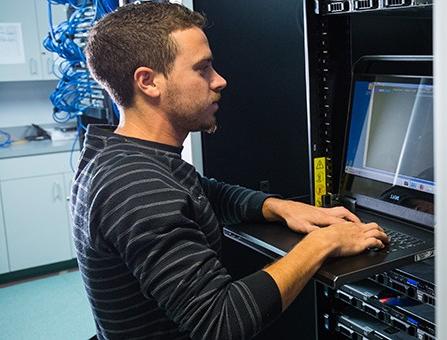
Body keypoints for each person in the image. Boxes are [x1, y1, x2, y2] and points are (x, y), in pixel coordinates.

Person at [71, 3, 388, 339]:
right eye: (202, 69)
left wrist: (279, 207)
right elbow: (220, 322)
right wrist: (321, 244)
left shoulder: (120, 154)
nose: (219, 80)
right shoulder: (138, 187)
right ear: (148, 82)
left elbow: (204, 192)